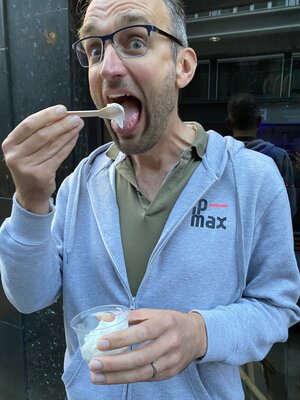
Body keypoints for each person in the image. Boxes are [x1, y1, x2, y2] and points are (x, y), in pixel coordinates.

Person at [0, 1, 299, 399]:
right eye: (94, 49)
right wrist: (31, 200)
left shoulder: (252, 180)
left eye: (135, 41)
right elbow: (28, 296)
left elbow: (277, 308)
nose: (107, 68)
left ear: (184, 67)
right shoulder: (78, 186)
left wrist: (199, 333)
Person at [226, 92, 297, 217]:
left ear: (229, 123)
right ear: (258, 121)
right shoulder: (278, 157)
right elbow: (288, 209)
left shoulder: (217, 155)